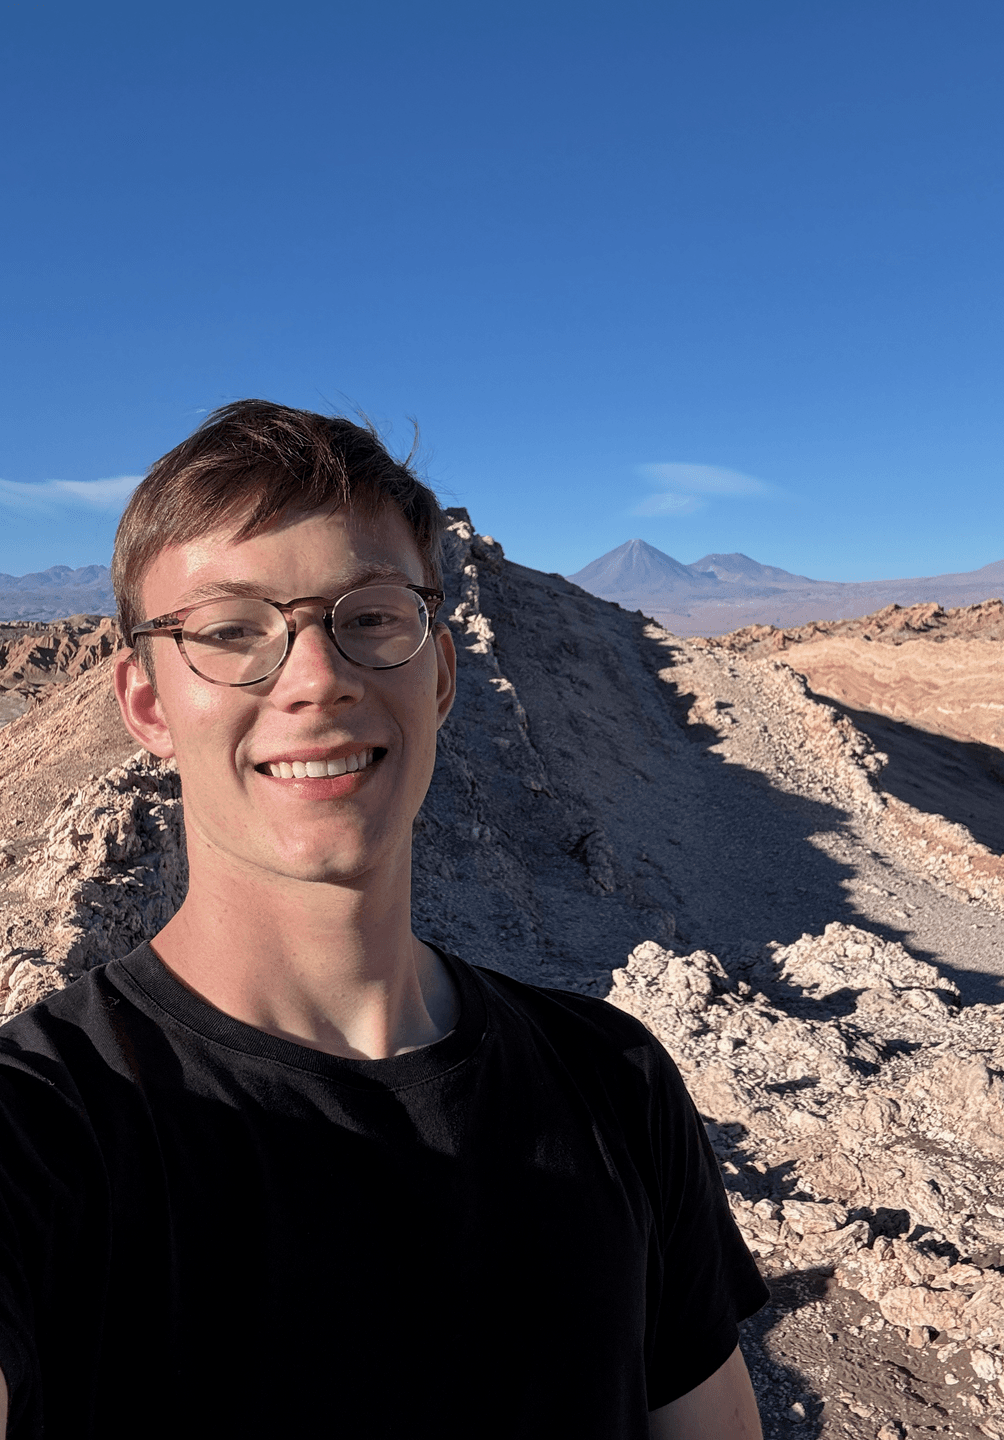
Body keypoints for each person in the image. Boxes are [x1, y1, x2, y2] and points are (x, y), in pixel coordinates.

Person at [0, 401, 768, 1438]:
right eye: (231, 632)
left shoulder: (613, 1083)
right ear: (146, 705)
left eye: (369, 618)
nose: (316, 678)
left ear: (442, 672)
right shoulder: (45, 1127)